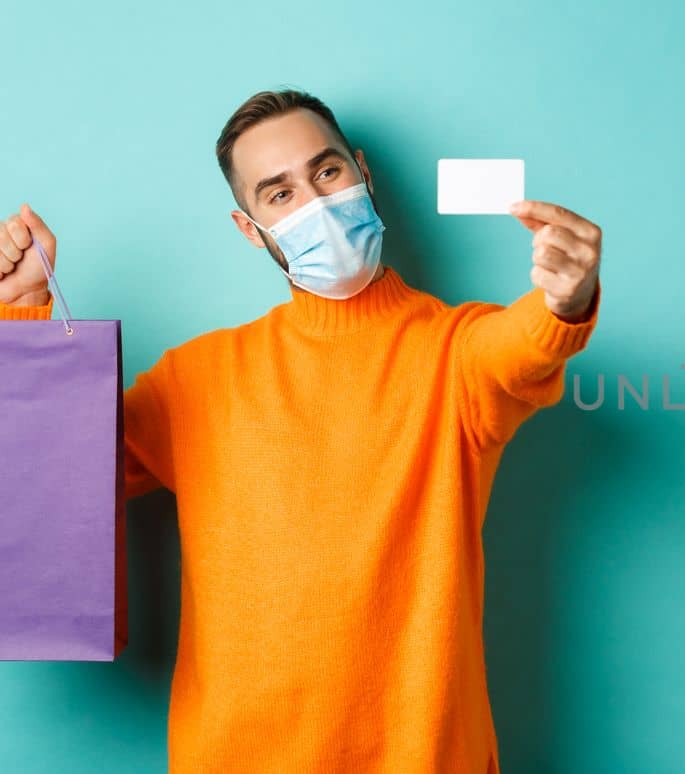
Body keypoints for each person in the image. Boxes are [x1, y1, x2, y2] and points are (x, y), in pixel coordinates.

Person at [0, 89, 602, 772]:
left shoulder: (454, 351)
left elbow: (522, 347)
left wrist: (566, 298)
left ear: (363, 174)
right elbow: (49, 486)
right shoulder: (195, 378)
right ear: (250, 228)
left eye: (326, 173)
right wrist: (21, 314)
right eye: (279, 194)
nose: (316, 204)